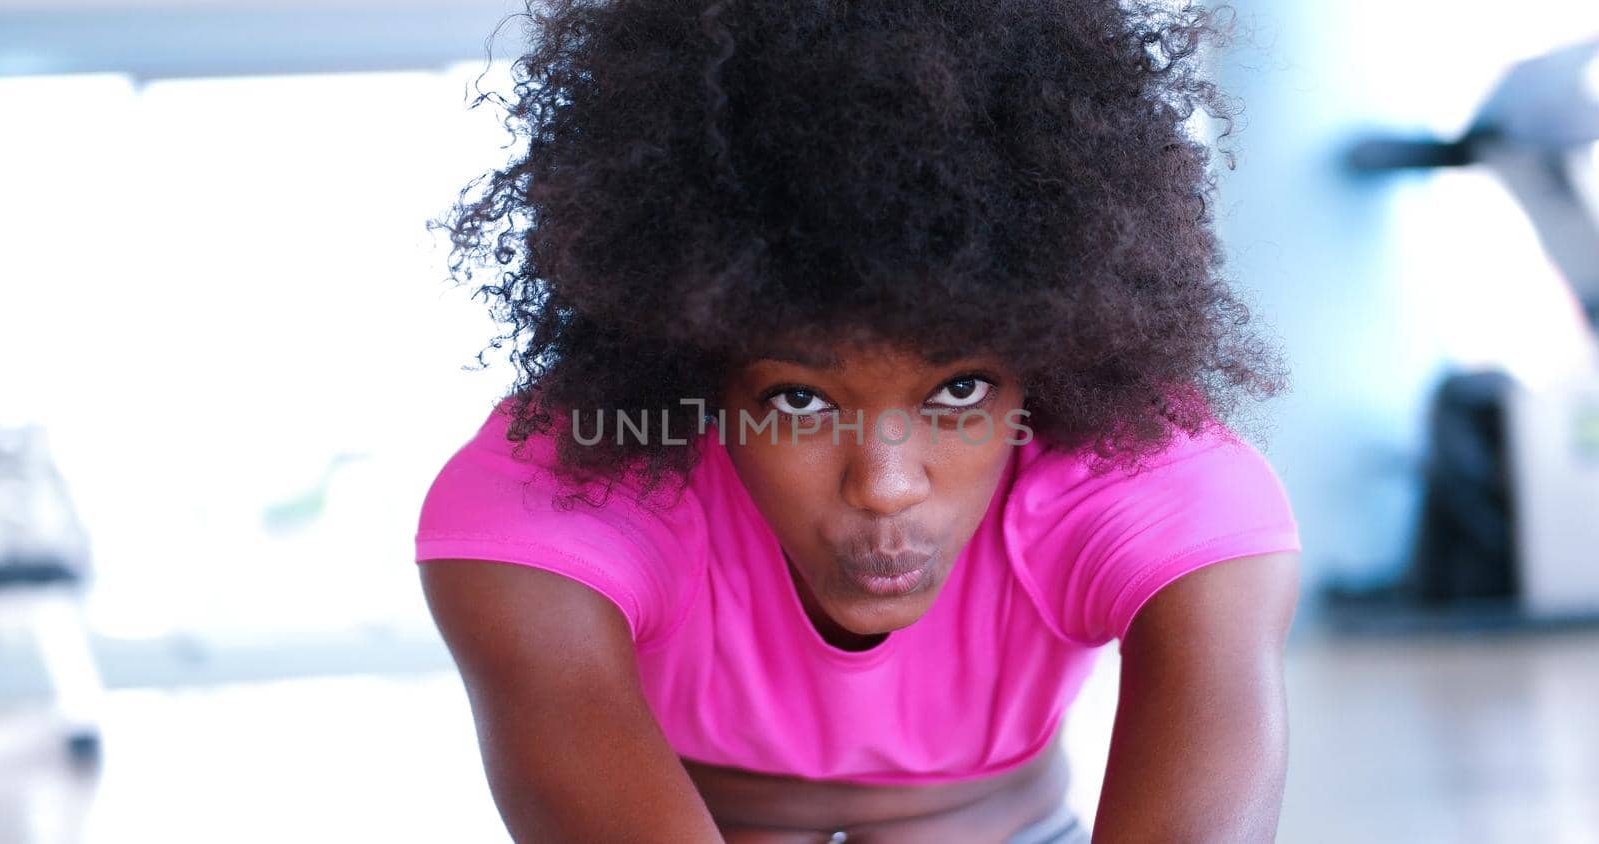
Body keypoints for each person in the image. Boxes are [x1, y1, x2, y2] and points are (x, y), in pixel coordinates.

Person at [415, 0, 1302, 841]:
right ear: (692, 361)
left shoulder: (1161, 487)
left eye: (959, 391)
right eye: (799, 399)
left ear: (1048, 361)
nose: (885, 487)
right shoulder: (549, 502)